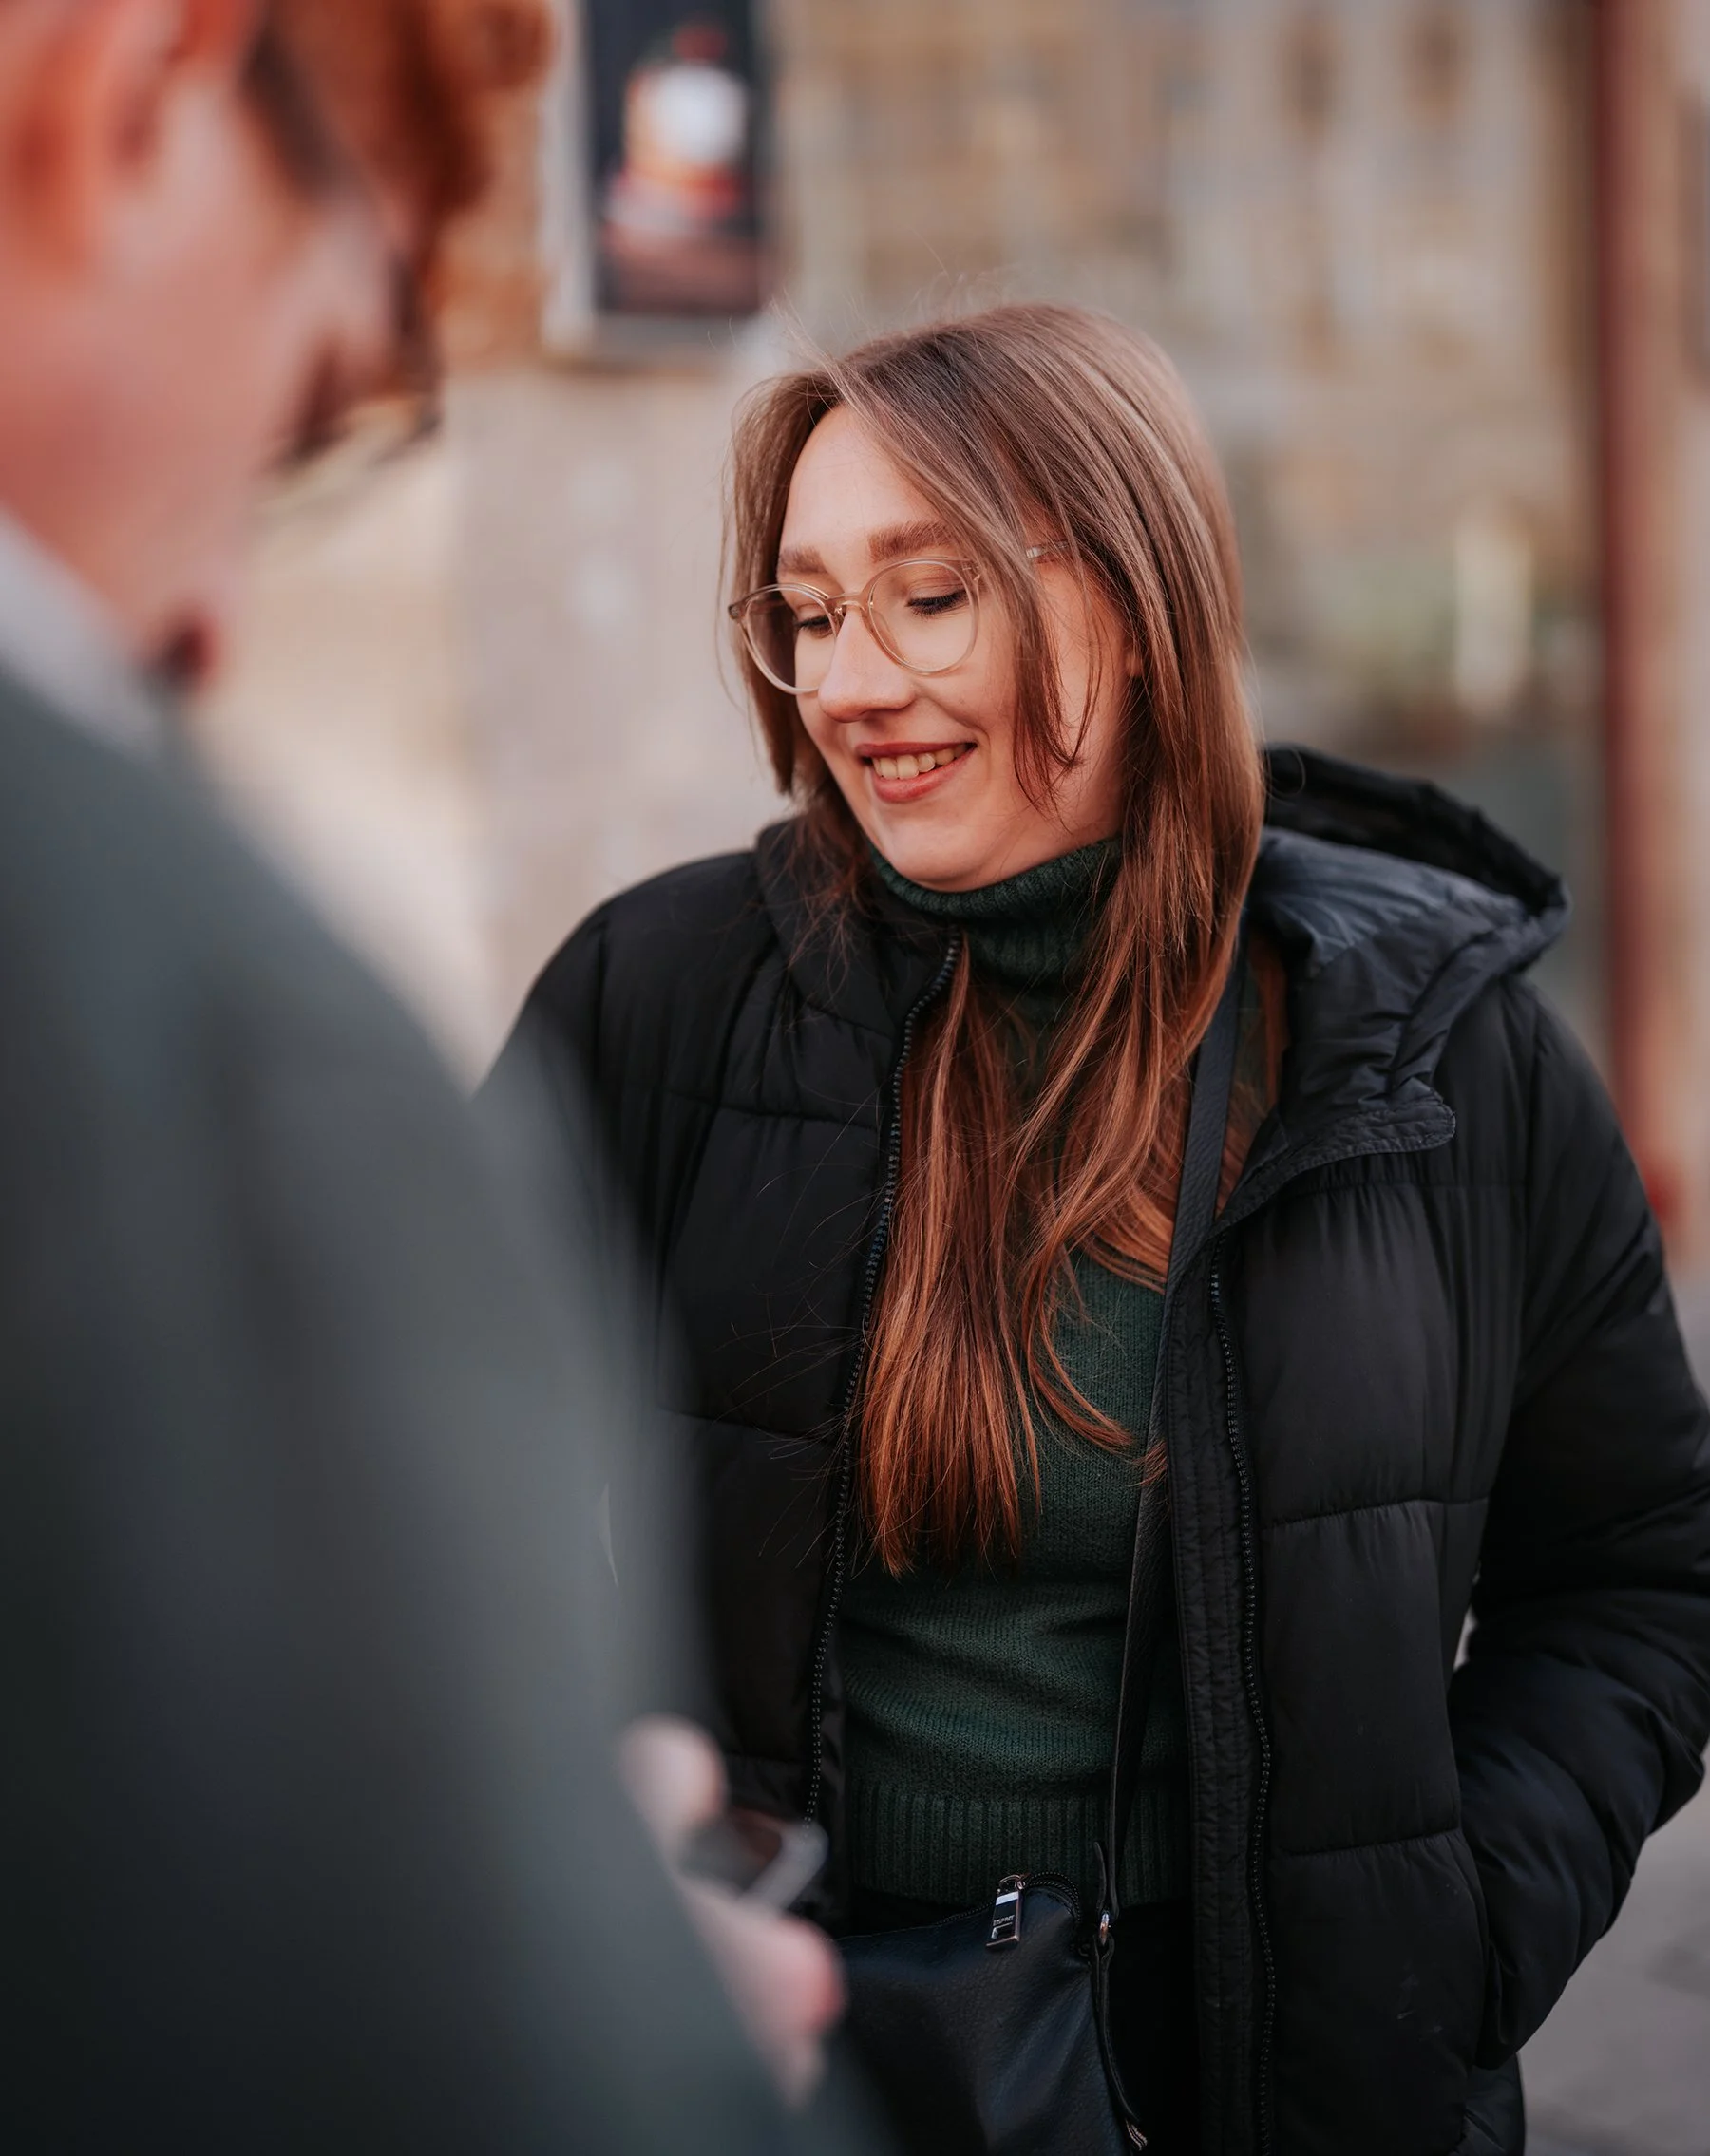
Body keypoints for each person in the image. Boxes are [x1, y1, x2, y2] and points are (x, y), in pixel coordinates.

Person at [495, 303, 1710, 2156]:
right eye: (809, 612)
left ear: (1135, 606)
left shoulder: (1438, 1050)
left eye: (931, 594)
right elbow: (397, 1502)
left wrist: (1446, 1931)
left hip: (1294, 2093)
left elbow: (1642, 1564)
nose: (852, 682)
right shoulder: (658, 1004)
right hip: (774, 2070)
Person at [0, 1, 846, 2145]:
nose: (214, 623)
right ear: (145, 86)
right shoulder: (194, 1024)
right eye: (313, 408)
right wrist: (615, 1979)